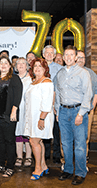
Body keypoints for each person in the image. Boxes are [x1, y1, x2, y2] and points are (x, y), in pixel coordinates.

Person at [54, 45, 92, 185]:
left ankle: (81, 172)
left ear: (76, 57)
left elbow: (88, 94)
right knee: (66, 144)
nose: (69, 57)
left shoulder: (83, 73)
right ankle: (68, 170)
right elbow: (58, 93)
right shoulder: (60, 74)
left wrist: (81, 113)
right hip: (63, 112)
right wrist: (57, 111)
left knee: (80, 145)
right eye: (66, 55)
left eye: (71, 55)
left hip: (78, 111)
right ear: (63, 57)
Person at [0, 56, 23, 177]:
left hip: (8, 115)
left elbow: (17, 96)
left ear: (10, 66)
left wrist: (14, 111)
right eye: (1, 63)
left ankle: (10, 166)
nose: (3, 65)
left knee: (9, 141)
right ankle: (1, 164)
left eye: (6, 63)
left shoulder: (14, 78)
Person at [23, 58, 54, 180]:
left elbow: (47, 103)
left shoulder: (47, 82)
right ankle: (44, 166)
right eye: (35, 66)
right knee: (38, 141)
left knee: (34, 141)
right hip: (33, 116)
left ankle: (38, 169)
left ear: (45, 69)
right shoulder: (33, 82)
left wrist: (41, 119)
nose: (37, 68)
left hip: (41, 117)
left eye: (40, 66)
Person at [76, 50, 97, 166]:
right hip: (72, 110)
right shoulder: (69, 72)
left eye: (83, 58)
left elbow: (96, 91)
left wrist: (92, 107)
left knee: (85, 137)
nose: (81, 60)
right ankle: (66, 161)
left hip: (87, 111)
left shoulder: (91, 73)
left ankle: (83, 161)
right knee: (68, 138)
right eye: (78, 57)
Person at [42, 45, 63, 163]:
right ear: (43, 54)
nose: (49, 55)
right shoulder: (39, 67)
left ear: (54, 55)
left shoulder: (60, 69)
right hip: (42, 103)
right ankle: (44, 154)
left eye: (51, 53)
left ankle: (56, 154)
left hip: (55, 103)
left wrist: (56, 104)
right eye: (47, 53)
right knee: (44, 129)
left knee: (56, 130)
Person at [14, 57, 32, 167]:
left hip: (28, 110)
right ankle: (19, 157)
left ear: (27, 66)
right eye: (18, 63)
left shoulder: (31, 79)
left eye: (23, 63)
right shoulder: (13, 79)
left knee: (27, 134)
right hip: (16, 110)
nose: (20, 65)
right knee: (18, 133)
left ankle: (29, 157)